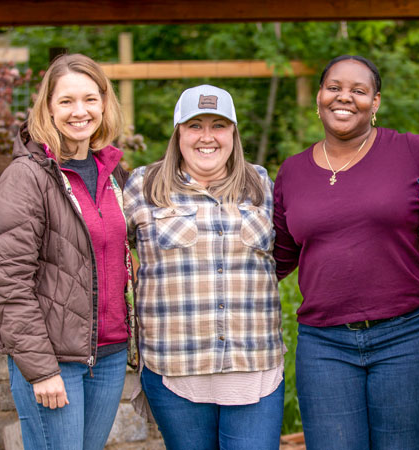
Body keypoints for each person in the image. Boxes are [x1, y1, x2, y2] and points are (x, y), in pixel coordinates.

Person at [273, 55, 419, 450]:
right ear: (319, 97)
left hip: (405, 337)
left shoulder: (411, 153)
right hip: (324, 344)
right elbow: (277, 258)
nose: (343, 97)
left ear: (376, 101)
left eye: (358, 90)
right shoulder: (293, 172)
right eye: (333, 87)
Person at [0, 53, 132, 450]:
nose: (79, 111)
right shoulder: (27, 177)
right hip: (55, 359)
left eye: (90, 99)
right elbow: (10, 282)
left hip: (110, 354)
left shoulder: (114, 173)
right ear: (47, 107)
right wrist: (41, 370)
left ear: (104, 102)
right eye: (66, 101)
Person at [124, 84, 285, 450]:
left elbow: (288, 252)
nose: (207, 137)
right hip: (175, 367)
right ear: (178, 132)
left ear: (234, 133)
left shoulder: (261, 185)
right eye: (195, 126)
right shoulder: (143, 186)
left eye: (219, 125)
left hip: (254, 365)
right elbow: (105, 255)